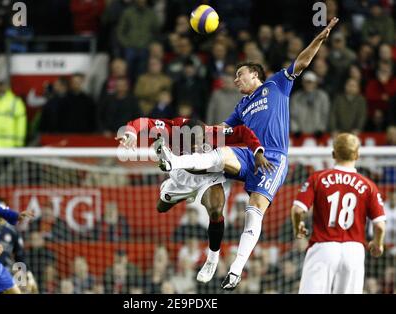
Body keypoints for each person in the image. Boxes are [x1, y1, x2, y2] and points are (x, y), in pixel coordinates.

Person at [156, 18, 339, 290]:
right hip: (248, 153)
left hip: (274, 159)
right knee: (221, 153)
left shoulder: (277, 84)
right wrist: (193, 129)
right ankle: (174, 162)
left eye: (239, 74)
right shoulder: (242, 106)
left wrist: (319, 38)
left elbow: (301, 63)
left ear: (255, 74)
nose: (235, 79)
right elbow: (220, 129)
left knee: (253, 212)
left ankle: (236, 268)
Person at [117, 116, 269, 283]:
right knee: (161, 207)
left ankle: (212, 259)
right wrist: (131, 132)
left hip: (208, 176)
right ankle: (179, 192)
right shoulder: (171, 130)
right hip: (182, 175)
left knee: (216, 210)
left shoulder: (213, 133)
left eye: (200, 141)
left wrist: (257, 151)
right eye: (192, 143)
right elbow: (144, 122)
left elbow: (242, 131)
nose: (197, 147)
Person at [291, 133, 386, 294]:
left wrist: (298, 226)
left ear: (333, 153)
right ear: (357, 155)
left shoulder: (318, 178)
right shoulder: (368, 185)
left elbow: (298, 210)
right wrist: (378, 244)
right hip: (354, 251)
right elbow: (380, 226)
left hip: (323, 247)